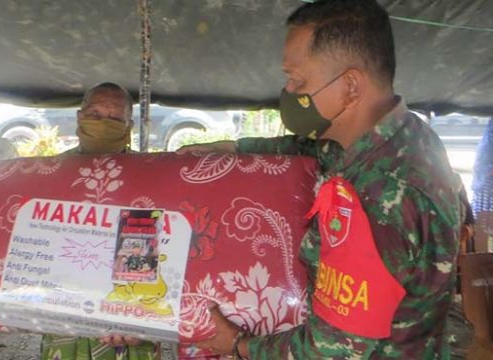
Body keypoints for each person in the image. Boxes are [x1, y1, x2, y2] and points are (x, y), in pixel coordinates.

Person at [177, 1, 465, 358]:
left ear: (350, 87)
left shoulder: (378, 197)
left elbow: (333, 349)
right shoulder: (403, 138)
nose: (289, 91)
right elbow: (311, 152)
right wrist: (234, 147)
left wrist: (240, 345)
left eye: (298, 80)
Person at [41, 82, 162, 360]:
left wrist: (132, 312)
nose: (103, 123)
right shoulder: (48, 175)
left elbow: (150, 245)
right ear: (79, 116)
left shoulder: (149, 177)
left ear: (128, 125)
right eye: (95, 114)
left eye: (115, 118)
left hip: (131, 327)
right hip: (64, 323)